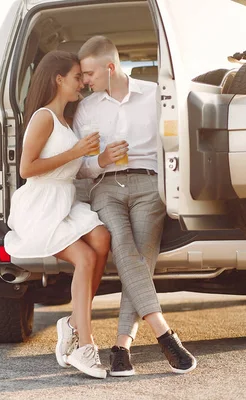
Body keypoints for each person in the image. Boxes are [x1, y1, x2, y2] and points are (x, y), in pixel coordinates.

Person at [72, 35, 197, 376]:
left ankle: (121, 349)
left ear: (110, 68)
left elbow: (177, 145)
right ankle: (164, 333)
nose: (84, 81)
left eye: (88, 74)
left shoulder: (156, 96)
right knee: (125, 248)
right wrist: (99, 160)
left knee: (140, 257)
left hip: (147, 184)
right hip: (106, 187)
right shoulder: (86, 108)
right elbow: (78, 167)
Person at [4, 50, 111, 379]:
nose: (83, 83)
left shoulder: (66, 119)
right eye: (78, 77)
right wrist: (76, 151)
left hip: (63, 200)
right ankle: (84, 345)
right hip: (41, 206)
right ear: (59, 79)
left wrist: (100, 160)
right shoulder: (43, 117)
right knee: (86, 259)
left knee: (102, 239)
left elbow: (71, 171)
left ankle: (72, 323)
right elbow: (27, 169)